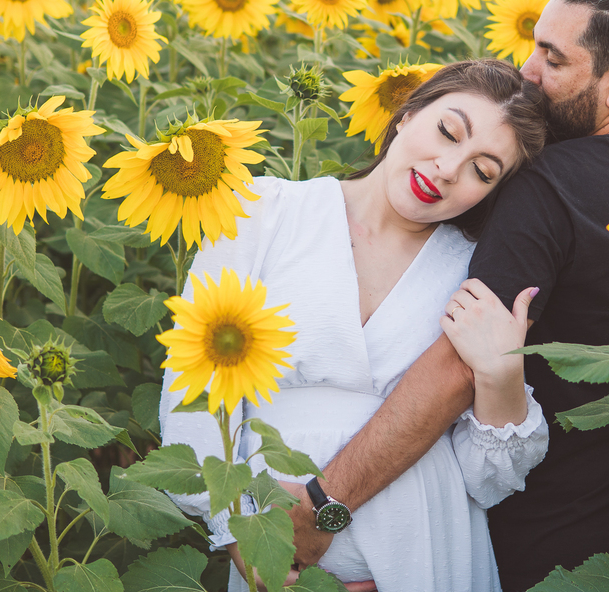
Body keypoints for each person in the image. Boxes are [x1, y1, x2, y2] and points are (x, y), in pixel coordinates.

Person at [281, 0, 609, 592]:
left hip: (557, 553)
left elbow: (458, 366)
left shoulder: (551, 183)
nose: (528, 72)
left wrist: (327, 506)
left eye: (552, 57)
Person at [159, 59, 551, 591]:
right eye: (446, 131)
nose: (447, 168)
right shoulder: (259, 212)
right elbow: (195, 388)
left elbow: (487, 479)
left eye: (483, 171)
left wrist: (502, 376)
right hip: (271, 541)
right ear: (407, 113)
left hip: (425, 545)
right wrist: (244, 539)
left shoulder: (472, 272)